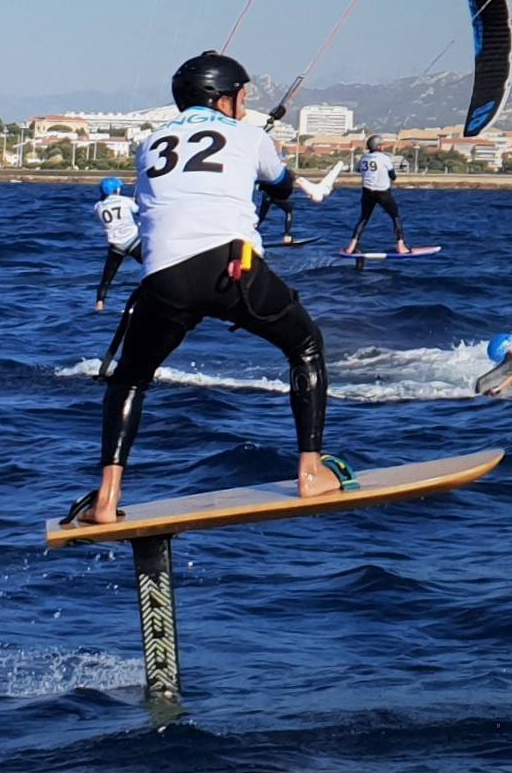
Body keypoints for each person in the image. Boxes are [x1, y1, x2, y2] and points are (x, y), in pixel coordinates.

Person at [66, 51, 343, 527]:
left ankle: (106, 499)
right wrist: (267, 166)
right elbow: (279, 188)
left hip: (164, 278)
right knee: (305, 346)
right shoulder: (250, 135)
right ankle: (312, 471)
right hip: (234, 269)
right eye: (241, 97)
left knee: (130, 378)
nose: (245, 104)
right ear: (224, 98)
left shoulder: (149, 142)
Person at [344, 134, 408, 255]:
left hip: (367, 192)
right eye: (382, 144)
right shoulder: (384, 158)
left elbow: (358, 169)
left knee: (363, 219)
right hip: (382, 192)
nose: (383, 146)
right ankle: (401, 246)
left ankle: (351, 247)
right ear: (378, 146)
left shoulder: (364, 157)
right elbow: (393, 176)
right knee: (396, 217)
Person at [92, 176, 142, 312]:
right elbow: (139, 211)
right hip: (133, 242)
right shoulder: (125, 201)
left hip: (115, 246)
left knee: (106, 279)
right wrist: (134, 202)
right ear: (117, 189)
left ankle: (99, 304)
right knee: (152, 269)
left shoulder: (98, 207)